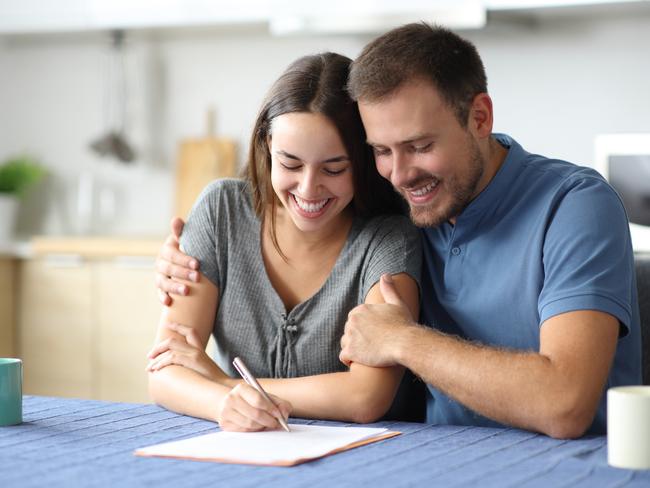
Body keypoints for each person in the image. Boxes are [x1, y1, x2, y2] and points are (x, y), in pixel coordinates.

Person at [157, 24, 642, 439]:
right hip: (431, 459)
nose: (400, 173)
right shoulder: (409, 205)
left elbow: (565, 403)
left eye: (419, 145)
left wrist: (403, 340)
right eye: (381, 151)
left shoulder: (574, 205)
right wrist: (180, 256)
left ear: (480, 117)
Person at [147, 52, 421, 432]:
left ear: (363, 160)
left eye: (334, 168)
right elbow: (165, 368)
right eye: (290, 164)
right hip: (248, 447)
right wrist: (221, 404)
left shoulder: (389, 239)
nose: (308, 189)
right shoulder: (222, 210)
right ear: (266, 147)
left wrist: (228, 385)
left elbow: (365, 398)